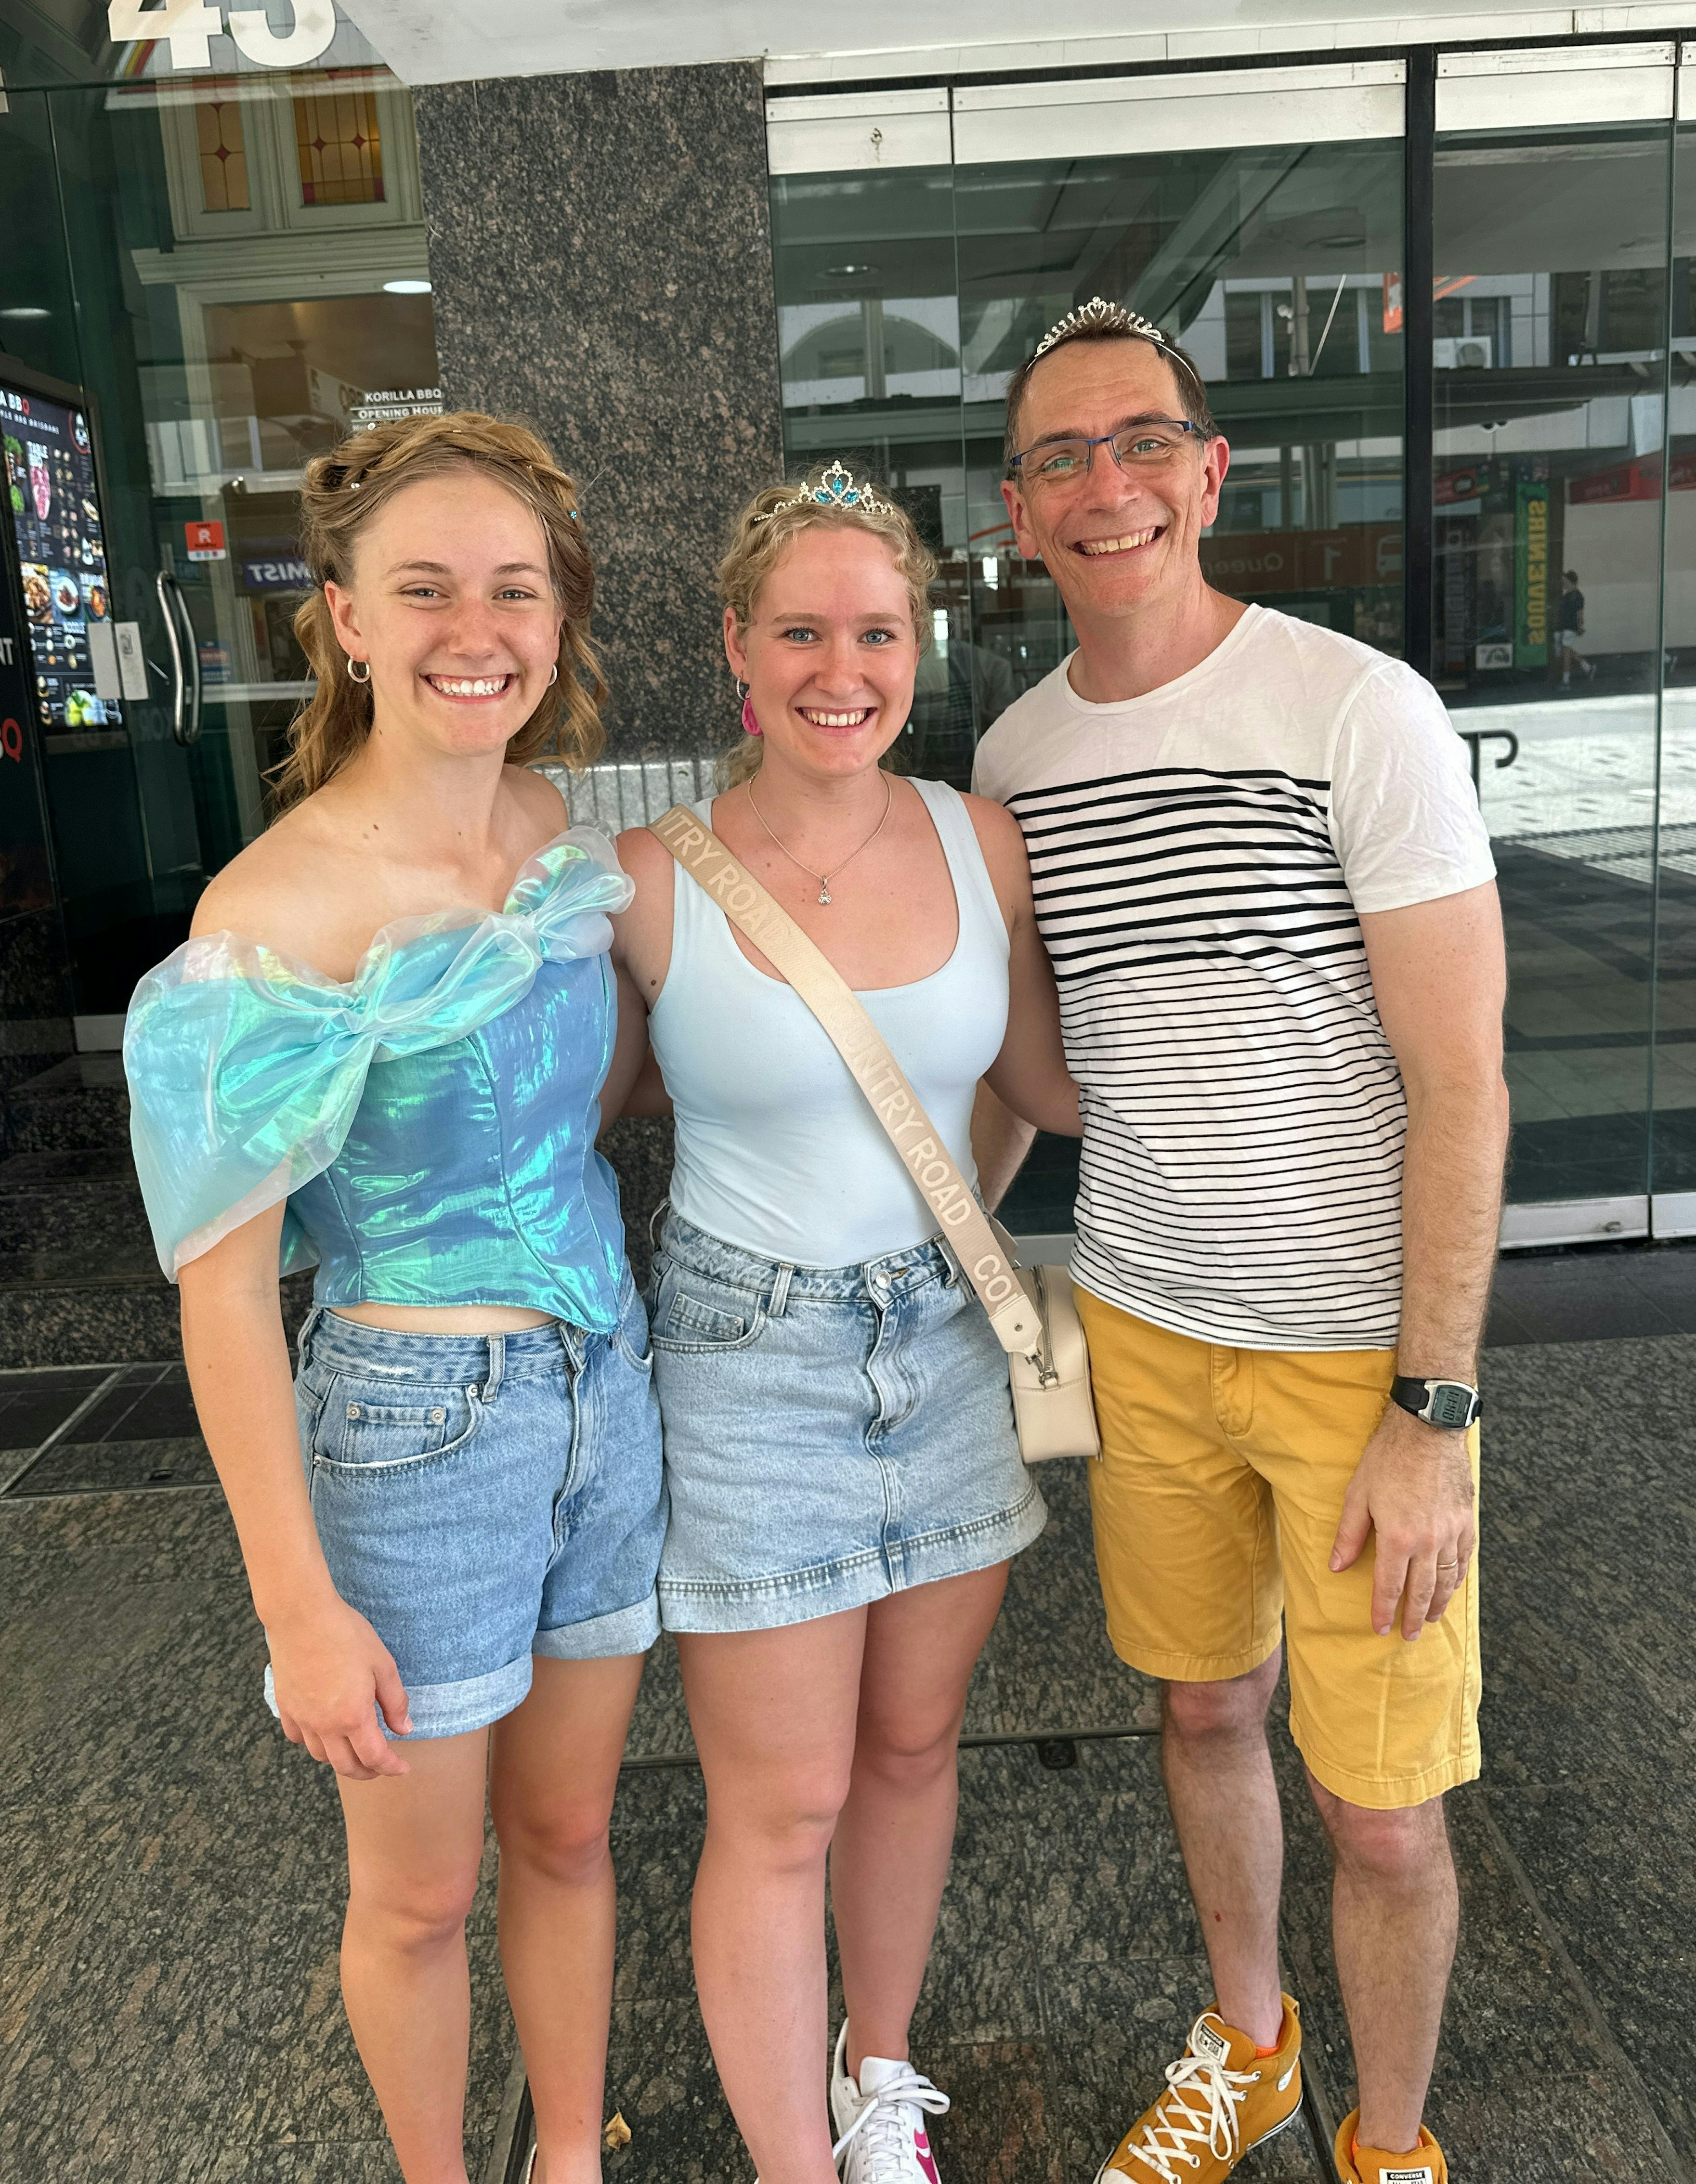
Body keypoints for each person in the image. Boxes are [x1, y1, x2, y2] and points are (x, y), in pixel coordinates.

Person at [970, 301, 1507, 2184]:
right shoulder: (1017, 754)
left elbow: (1463, 1080)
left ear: (1208, 473)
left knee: (1384, 1809)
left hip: (1361, 1359)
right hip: (1146, 1326)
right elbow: (1052, 1068)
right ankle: (1254, 2048)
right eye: (1059, 455)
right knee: (1204, 1706)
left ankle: (1392, 2143)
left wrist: (1436, 1407)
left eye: (1140, 442)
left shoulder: (1357, 709)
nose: (1103, 482)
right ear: (1021, 511)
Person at [123, 412, 665, 2184]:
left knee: (571, 1836)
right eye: (423, 588)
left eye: (513, 588)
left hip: (606, 1395)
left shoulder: (555, 832)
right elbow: (221, 1298)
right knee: (420, 1893)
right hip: (417, 1434)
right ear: (347, 618)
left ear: (559, 617)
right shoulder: (272, 912)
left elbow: (583, 1107)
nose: (473, 629)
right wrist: (296, 1605)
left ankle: (570, 2155)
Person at [608, 464, 1082, 2184]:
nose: (841, 668)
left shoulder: (980, 840)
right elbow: (568, 1119)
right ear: (737, 645)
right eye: (800, 630)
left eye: (876, 631)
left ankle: (878, 2076)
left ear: (918, 642)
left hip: (944, 1346)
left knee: (910, 1742)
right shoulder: (644, 879)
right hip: (748, 1359)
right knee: (782, 1797)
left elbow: (1042, 1082)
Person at [1554, 566, 1592, 686]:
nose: (1564, 584)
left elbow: (1580, 614)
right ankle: (1586, 666)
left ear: (1571, 582)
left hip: (1570, 628)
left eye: (1566, 582)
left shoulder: (1577, 597)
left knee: (1566, 652)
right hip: (1565, 628)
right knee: (1566, 650)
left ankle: (1566, 679)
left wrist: (1580, 626)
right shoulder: (1570, 596)